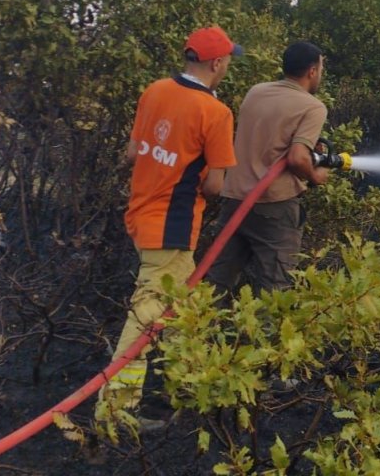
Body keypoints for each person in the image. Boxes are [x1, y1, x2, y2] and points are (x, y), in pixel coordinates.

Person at [97, 26, 242, 427]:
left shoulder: (155, 90)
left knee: (184, 307)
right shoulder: (216, 112)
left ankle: (181, 388)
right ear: (217, 63)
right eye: (228, 58)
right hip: (171, 227)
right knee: (145, 316)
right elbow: (214, 185)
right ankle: (115, 410)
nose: (228, 64)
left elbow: (132, 153)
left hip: (141, 213)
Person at [205, 40, 330, 296]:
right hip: (273, 204)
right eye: (321, 68)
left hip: (235, 198)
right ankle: (266, 335)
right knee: (276, 288)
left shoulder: (257, 91)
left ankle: (196, 333)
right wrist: (315, 175)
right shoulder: (313, 106)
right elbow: (296, 158)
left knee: (216, 282)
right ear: (312, 71)